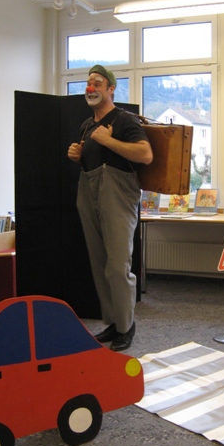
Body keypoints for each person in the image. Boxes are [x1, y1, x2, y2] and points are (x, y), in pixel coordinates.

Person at [67, 65, 153, 351]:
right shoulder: (86, 125)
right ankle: (114, 322)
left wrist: (108, 140)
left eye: (98, 82)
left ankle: (127, 326)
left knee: (118, 264)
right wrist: (78, 155)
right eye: (88, 82)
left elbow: (145, 154)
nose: (91, 87)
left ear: (111, 89)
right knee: (100, 262)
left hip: (117, 195)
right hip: (88, 190)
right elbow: (91, 157)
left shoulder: (124, 119)